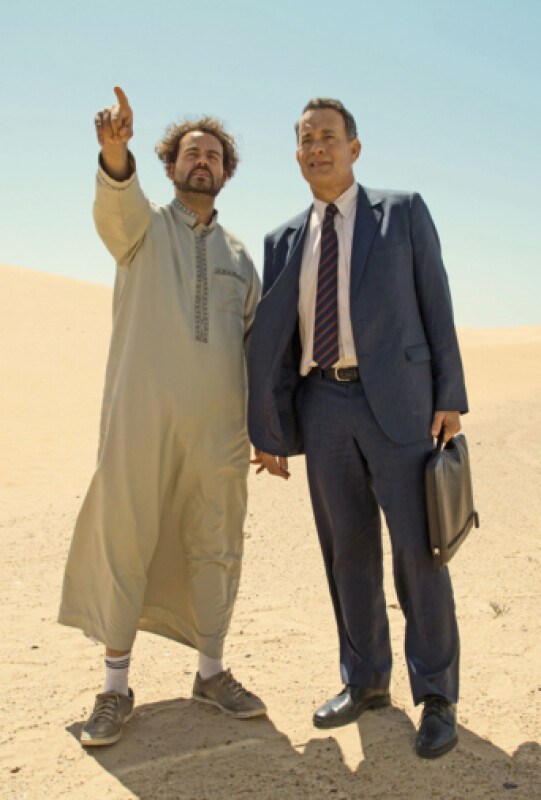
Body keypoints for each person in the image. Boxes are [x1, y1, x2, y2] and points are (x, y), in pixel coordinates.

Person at [249, 98, 468, 759]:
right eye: (306, 139)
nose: (317, 147)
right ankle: (366, 680)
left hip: (399, 405)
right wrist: (269, 428)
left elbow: (436, 300)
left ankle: (436, 695)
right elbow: (276, 344)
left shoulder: (402, 212)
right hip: (322, 405)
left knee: (418, 553)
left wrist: (449, 395)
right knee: (346, 553)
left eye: (329, 136)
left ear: (354, 148)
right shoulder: (283, 239)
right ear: (296, 155)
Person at [59, 87, 265, 747]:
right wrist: (115, 154)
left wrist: (269, 432)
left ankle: (211, 673)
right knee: (127, 540)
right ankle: (114, 688)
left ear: (226, 173)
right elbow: (116, 204)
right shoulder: (142, 230)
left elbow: (257, 351)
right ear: (170, 166)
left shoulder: (240, 257)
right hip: (140, 424)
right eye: (190, 153)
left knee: (216, 543)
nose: (202, 161)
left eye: (213, 156)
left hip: (220, 433)